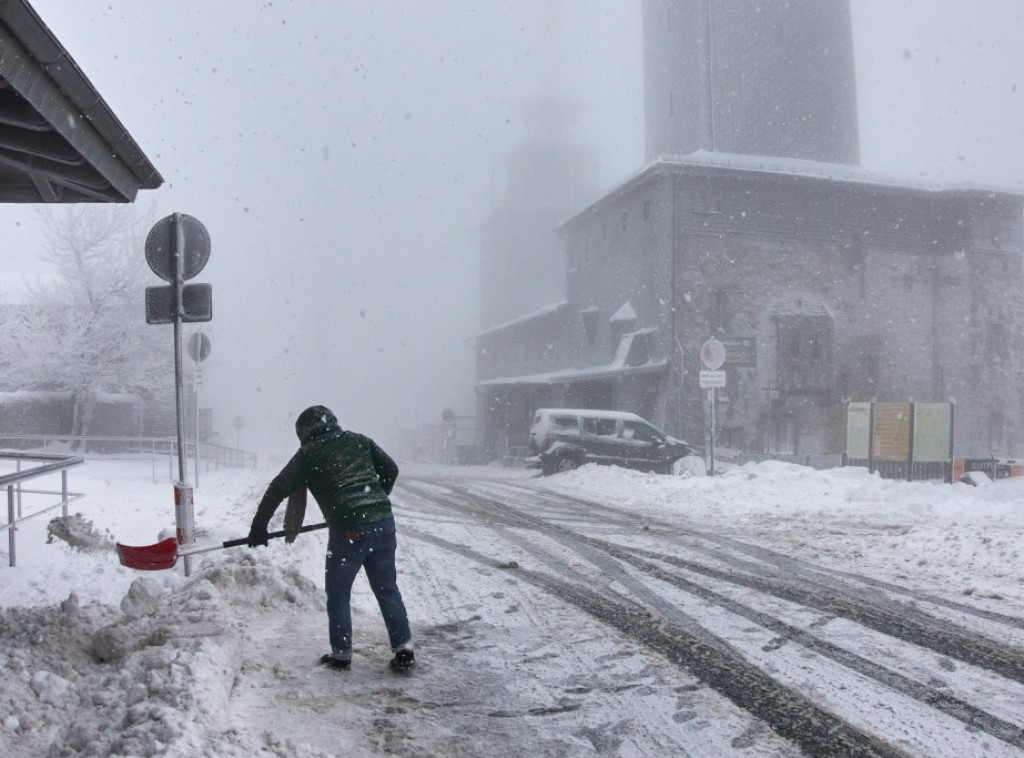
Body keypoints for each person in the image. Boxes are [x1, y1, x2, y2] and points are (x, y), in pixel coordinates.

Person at [247, 405, 414, 671]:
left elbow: (278, 487)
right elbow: (391, 469)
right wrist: (372, 500)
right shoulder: (359, 440)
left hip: (349, 530)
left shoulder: (308, 453)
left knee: (338, 593)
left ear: (303, 432)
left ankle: (341, 654)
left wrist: (259, 527)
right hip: (383, 523)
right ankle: (404, 649)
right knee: (387, 589)